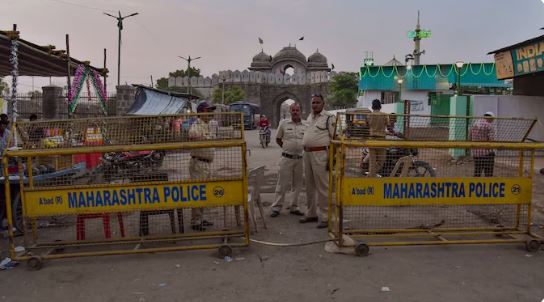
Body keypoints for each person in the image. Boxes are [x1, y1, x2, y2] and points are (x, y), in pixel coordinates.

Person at [300, 94, 335, 229]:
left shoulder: (329, 118)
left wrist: (332, 159)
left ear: (323, 103)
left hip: (321, 154)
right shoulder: (310, 117)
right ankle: (311, 213)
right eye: (313, 102)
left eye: (317, 102)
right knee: (309, 186)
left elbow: (336, 139)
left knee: (323, 187)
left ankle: (326, 217)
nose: (314, 105)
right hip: (307, 154)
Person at [270, 102, 307, 217]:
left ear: (300, 111)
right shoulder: (284, 123)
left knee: (298, 185)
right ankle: (276, 207)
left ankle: (294, 206)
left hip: (300, 159)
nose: (295, 112)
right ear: (290, 111)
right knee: (282, 183)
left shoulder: (306, 125)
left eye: (297, 110)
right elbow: (278, 139)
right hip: (286, 158)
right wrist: (287, 149)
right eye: (293, 110)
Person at [188, 101, 217, 231]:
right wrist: (204, 138)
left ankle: (200, 218)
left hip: (206, 163)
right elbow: (192, 135)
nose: (210, 113)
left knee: (203, 192)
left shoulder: (208, 125)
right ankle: (195, 221)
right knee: (198, 192)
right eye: (208, 110)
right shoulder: (197, 124)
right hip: (198, 163)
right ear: (201, 112)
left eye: (211, 110)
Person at [367, 99, 389, 177]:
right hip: (381, 140)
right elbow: (388, 126)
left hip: (371, 139)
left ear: (372, 106)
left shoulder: (369, 115)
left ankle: (371, 175)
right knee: (381, 161)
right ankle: (371, 175)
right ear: (380, 106)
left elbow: (367, 125)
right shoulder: (385, 115)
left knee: (372, 161)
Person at [470, 111, 496, 177]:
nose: (492, 121)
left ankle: (475, 185)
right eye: (492, 120)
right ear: (490, 118)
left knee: (477, 171)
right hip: (487, 153)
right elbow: (491, 140)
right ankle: (487, 185)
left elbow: (469, 136)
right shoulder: (489, 126)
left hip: (476, 152)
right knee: (488, 172)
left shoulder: (474, 123)